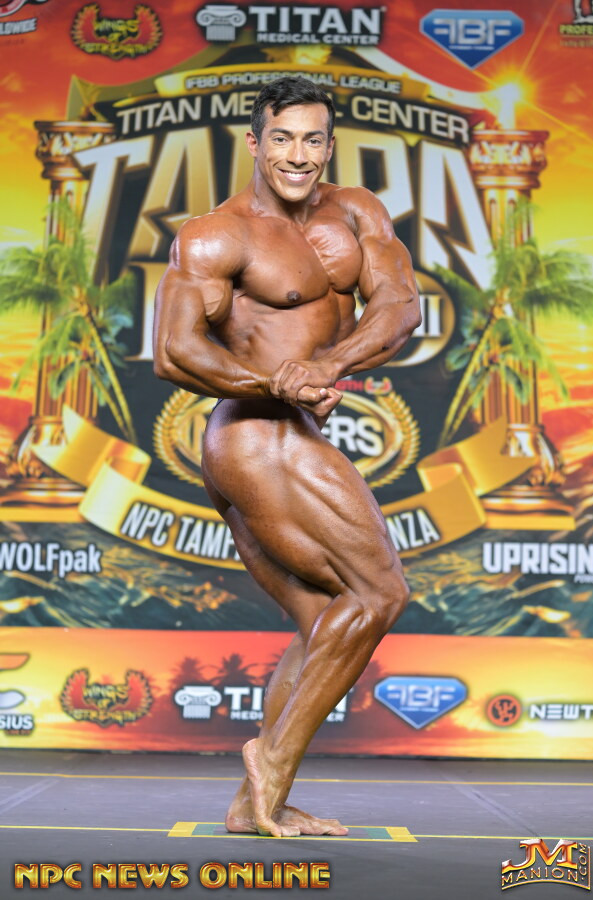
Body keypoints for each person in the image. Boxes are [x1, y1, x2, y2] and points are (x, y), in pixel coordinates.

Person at [153, 76, 421, 837]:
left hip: (293, 432)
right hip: (253, 434)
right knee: (379, 592)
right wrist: (275, 382)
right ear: (255, 142)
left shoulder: (358, 211)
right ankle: (269, 762)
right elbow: (174, 351)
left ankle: (253, 806)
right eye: (282, 138)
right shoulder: (217, 235)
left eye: (312, 139)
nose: (297, 155)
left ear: (329, 146)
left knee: (323, 621)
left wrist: (328, 364)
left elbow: (401, 305)